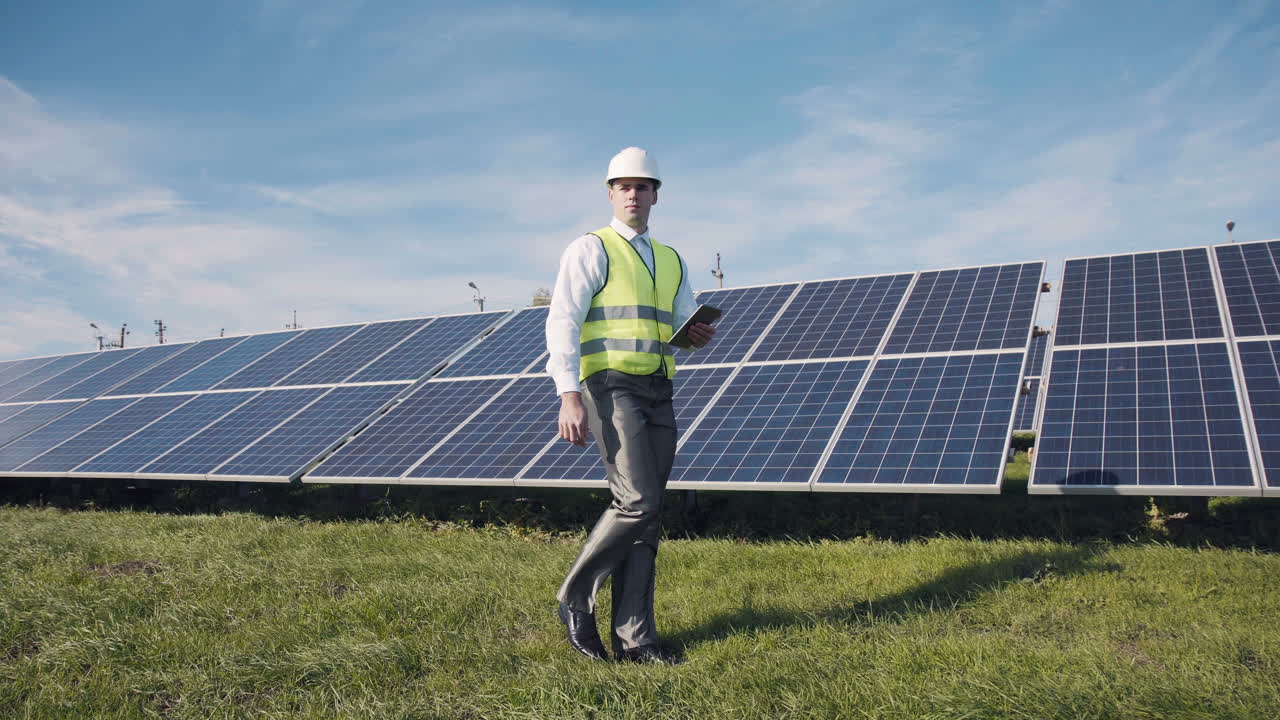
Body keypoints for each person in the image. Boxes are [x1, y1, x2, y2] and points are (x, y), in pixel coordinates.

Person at [545, 147, 716, 664]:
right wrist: (568, 393)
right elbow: (562, 321)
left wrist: (694, 335)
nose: (634, 194)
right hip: (610, 387)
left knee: (650, 515)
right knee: (637, 502)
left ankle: (636, 641)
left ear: (656, 194)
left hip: (660, 386)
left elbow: (678, 326)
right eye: (624, 186)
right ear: (611, 193)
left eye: (643, 186)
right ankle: (574, 597)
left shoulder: (671, 258)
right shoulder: (590, 248)